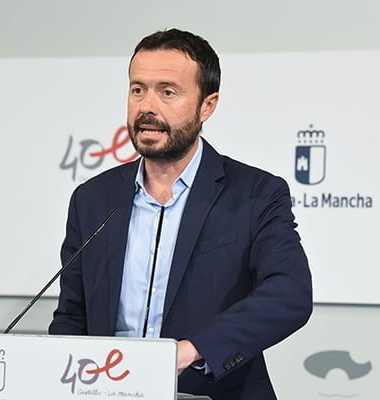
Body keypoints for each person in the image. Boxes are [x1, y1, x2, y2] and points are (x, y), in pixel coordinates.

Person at [49, 28, 312, 400]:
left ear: (207, 105)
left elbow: (289, 295)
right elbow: (72, 316)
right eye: (138, 89)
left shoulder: (255, 194)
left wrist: (191, 350)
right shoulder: (92, 199)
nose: (147, 107)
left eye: (167, 92)